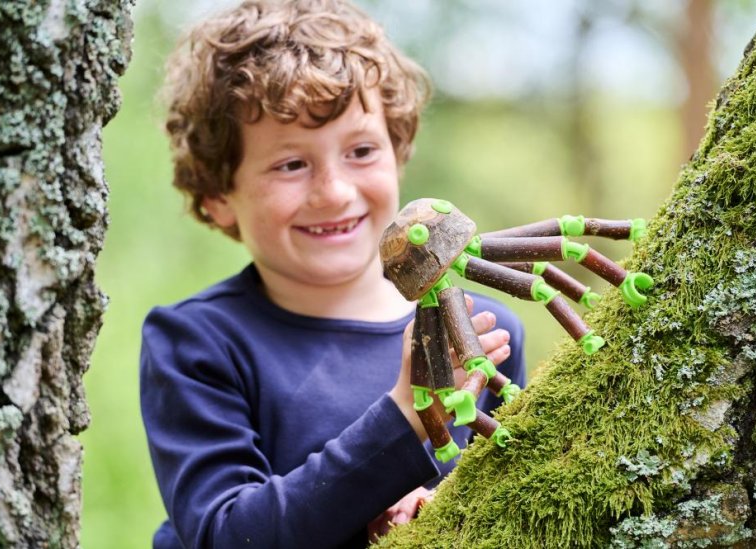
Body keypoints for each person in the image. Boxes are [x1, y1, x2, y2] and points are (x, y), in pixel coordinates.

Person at [139, 1, 526, 547]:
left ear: (398, 152)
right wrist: (405, 417)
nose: (335, 192)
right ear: (217, 196)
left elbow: (521, 490)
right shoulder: (196, 344)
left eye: (362, 151)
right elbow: (226, 534)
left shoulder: (481, 330)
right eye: (291, 164)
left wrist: (441, 516)